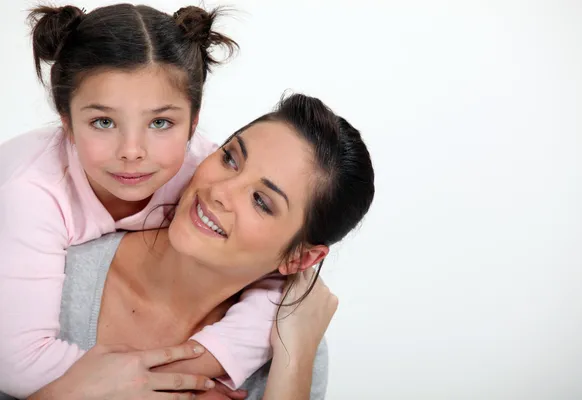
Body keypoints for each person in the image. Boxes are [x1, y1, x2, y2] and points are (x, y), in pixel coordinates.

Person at [0, 3, 286, 397]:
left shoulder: (205, 173)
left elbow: (280, 277)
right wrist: (157, 387)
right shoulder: (30, 189)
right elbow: (16, 362)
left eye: (160, 123)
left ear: (193, 123)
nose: (132, 151)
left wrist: (210, 359)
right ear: (66, 121)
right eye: (103, 122)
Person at [27, 93, 376, 399]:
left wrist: (294, 355)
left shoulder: (291, 354)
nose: (220, 192)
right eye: (231, 159)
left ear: (301, 257)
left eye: (261, 201)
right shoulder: (49, 276)